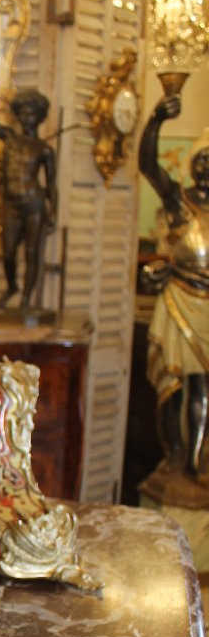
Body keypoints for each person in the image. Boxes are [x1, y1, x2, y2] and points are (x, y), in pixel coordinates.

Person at [139, 96, 209, 478]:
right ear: (192, 164)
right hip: (179, 301)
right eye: (203, 159)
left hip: (207, 308)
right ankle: (175, 454)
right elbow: (148, 165)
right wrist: (155, 121)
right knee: (173, 385)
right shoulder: (179, 203)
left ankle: (195, 459)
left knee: (202, 385)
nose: (208, 166)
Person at [0, 89, 57, 309]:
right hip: (11, 205)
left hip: (34, 204)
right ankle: (12, 288)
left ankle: (26, 300)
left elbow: (51, 185)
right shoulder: (10, 137)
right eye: (23, 113)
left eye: (32, 114)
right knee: (8, 252)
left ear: (39, 117)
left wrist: (53, 213)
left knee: (31, 253)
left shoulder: (45, 149)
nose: (27, 118)